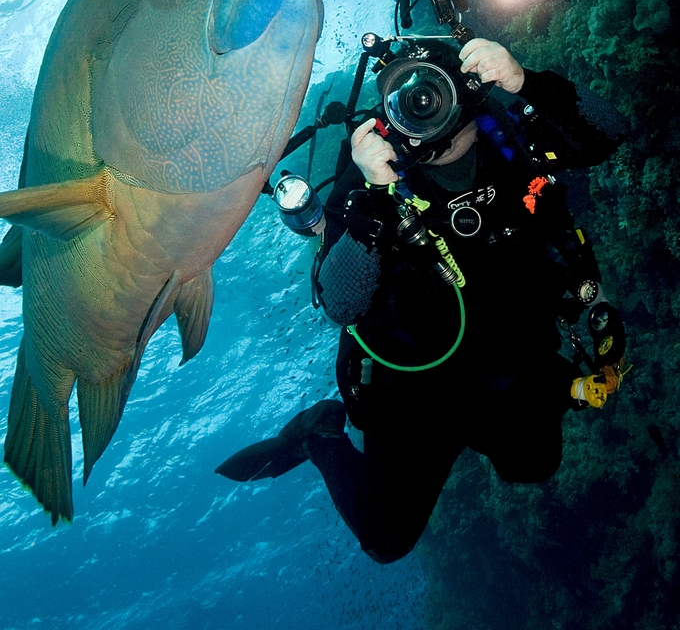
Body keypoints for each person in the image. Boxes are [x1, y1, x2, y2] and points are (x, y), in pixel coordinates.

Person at [216, 37, 628, 564]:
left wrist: (526, 81)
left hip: (513, 355)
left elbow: (610, 132)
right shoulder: (374, 179)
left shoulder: (512, 138)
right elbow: (341, 304)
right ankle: (318, 435)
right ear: (388, 117)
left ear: (466, 87)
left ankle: (507, 414)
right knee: (384, 539)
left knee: (533, 464)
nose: (423, 105)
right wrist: (375, 199)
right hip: (416, 388)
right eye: (405, 100)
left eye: (433, 89)